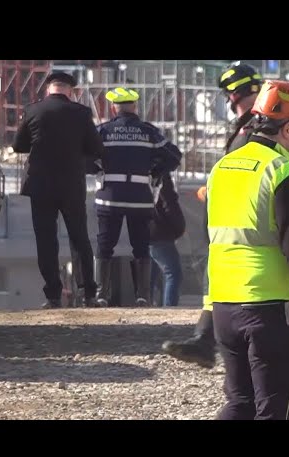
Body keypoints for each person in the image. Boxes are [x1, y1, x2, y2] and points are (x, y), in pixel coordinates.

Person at [207, 80, 289, 420]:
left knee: (240, 402)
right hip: (271, 307)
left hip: (225, 302)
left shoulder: (223, 167)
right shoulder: (282, 172)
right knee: (275, 404)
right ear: (288, 129)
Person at [161, 62, 263, 368]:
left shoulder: (259, 125)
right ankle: (204, 341)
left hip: (244, 217)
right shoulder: (249, 124)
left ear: (240, 93)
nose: (229, 102)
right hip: (230, 213)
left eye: (230, 95)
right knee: (216, 275)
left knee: (243, 280)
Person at [13, 71, 103, 309]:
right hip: (71, 186)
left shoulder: (33, 111)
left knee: (46, 239)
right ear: (70, 91)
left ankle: (53, 295)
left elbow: (18, 145)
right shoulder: (81, 113)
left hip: (40, 185)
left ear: (48, 89)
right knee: (79, 238)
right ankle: (89, 293)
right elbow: (96, 148)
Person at [93, 87, 181, 307]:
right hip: (139, 198)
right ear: (134, 106)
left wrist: (98, 168)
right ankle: (142, 296)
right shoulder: (148, 132)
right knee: (140, 246)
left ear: (114, 107)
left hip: (109, 197)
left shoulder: (103, 131)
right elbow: (174, 156)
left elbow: (83, 156)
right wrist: (155, 170)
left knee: (105, 245)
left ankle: (101, 295)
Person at [149, 172, 185, 306]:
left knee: (149, 278)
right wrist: (178, 228)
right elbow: (169, 203)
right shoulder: (162, 177)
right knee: (173, 274)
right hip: (161, 233)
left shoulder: (145, 172)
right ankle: (170, 309)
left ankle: (144, 307)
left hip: (147, 231)